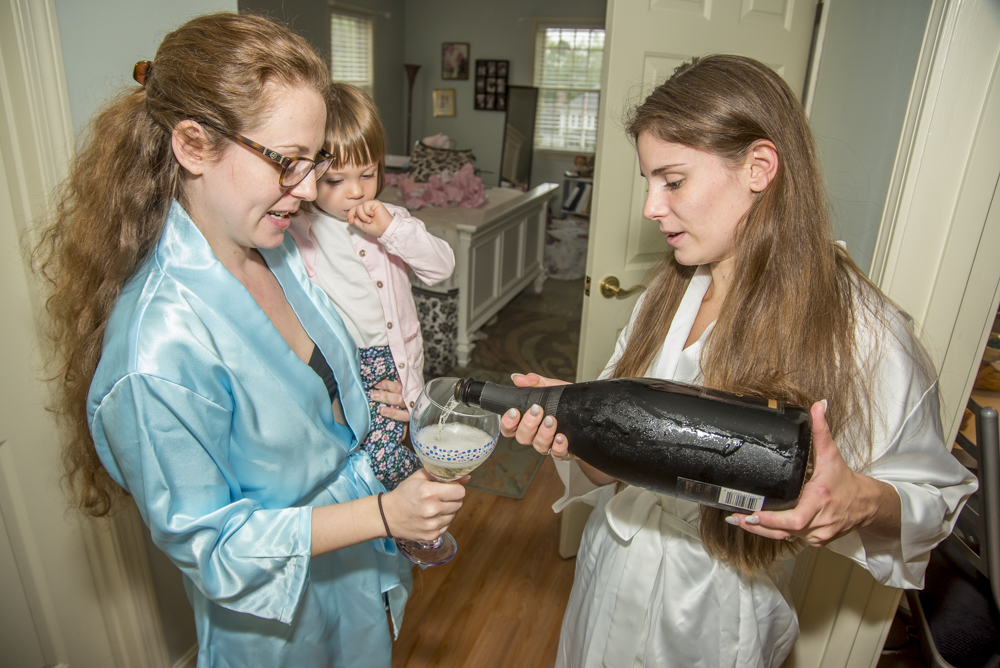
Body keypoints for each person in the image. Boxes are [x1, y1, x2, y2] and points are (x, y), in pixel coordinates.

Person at [500, 55, 978, 668]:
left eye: (672, 181)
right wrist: (577, 436)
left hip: (715, 619)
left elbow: (935, 501)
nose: (651, 207)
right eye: (650, 182)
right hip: (607, 579)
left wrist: (857, 500)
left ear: (758, 167)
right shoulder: (664, 297)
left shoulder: (861, 331)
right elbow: (611, 474)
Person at [33, 13, 465, 667]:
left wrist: (366, 403)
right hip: (277, 630)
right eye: (288, 162)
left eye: (314, 160)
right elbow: (218, 547)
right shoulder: (155, 353)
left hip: (353, 585)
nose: (308, 188)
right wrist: (383, 516)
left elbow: (312, 396)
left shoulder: (281, 250)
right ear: (194, 145)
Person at [288, 83, 455, 490]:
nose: (357, 191)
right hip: (344, 360)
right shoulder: (298, 227)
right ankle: (391, 519)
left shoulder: (390, 218)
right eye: (336, 180)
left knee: (393, 443)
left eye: (367, 174)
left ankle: (407, 516)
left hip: (391, 357)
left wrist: (391, 230)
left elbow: (441, 268)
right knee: (363, 451)